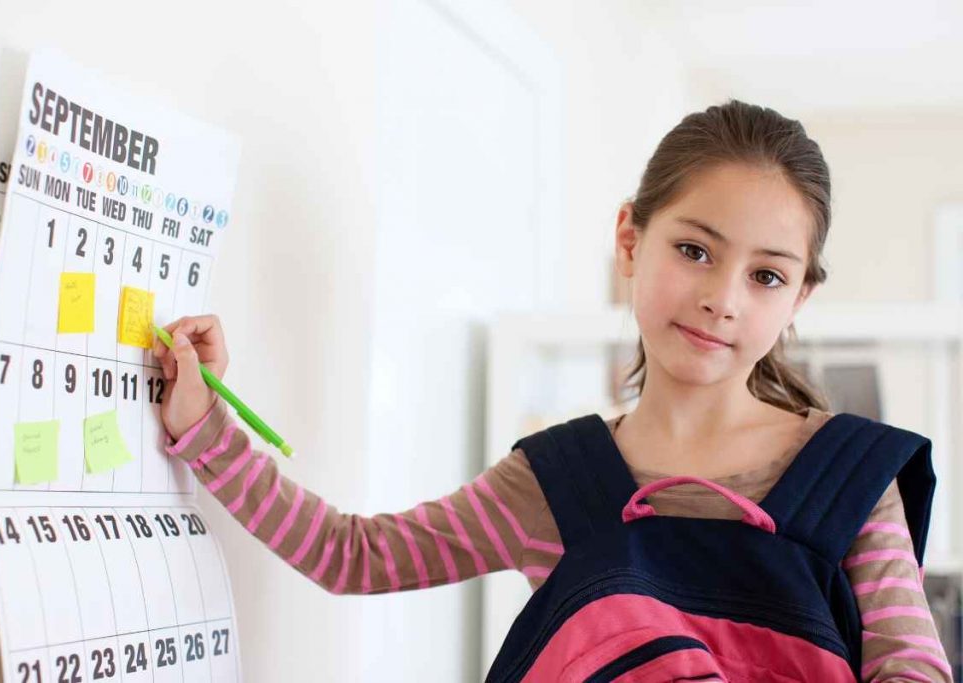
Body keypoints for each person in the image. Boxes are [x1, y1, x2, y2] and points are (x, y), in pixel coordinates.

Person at [152, 99, 952, 681]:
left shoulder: (850, 479)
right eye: (696, 250)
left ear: (799, 298)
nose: (725, 298)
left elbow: (912, 672)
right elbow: (353, 554)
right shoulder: (557, 483)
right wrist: (209, 429)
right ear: (629, 240)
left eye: (767, 274)